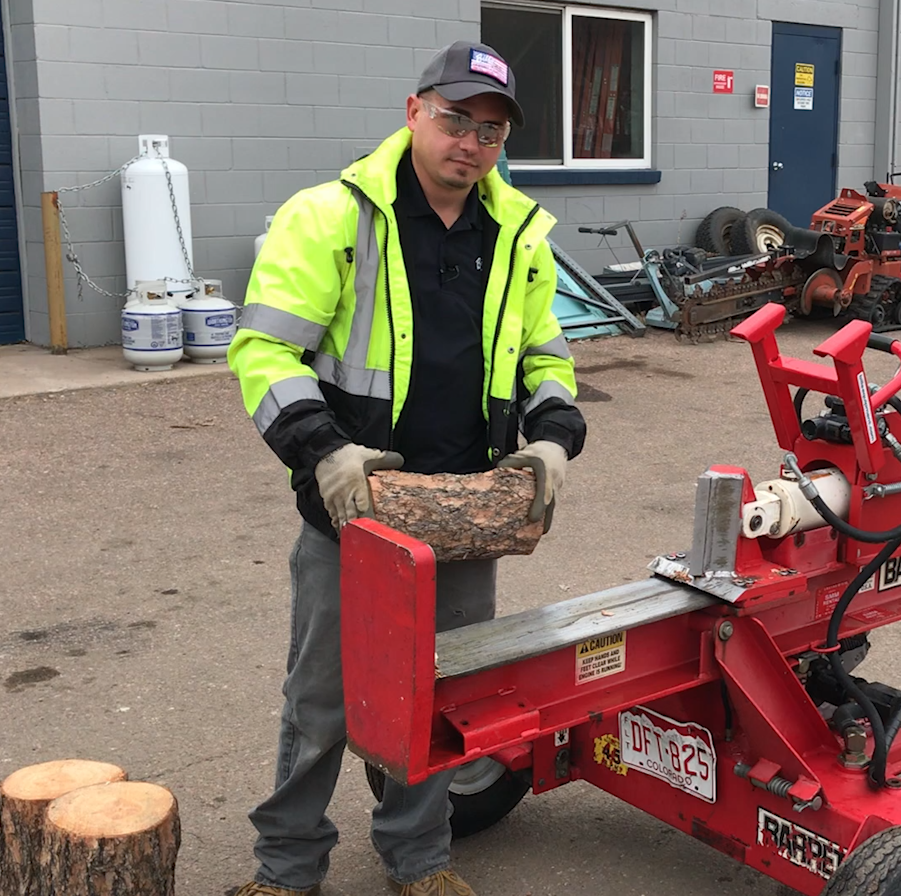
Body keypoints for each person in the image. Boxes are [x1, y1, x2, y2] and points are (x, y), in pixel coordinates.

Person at [226, 40, 586, 896]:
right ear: (413, 110)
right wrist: (324, 453)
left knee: (436, 700)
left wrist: (553, 438)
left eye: (491, 131)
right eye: (456, 119)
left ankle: (419, 864)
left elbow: (546, 355)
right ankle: (285, 871)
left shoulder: (518, 234)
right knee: (320, 703)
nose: (471, 142)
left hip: (466, 511)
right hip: (351, 508)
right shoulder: (329, 215)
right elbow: (264, 349)